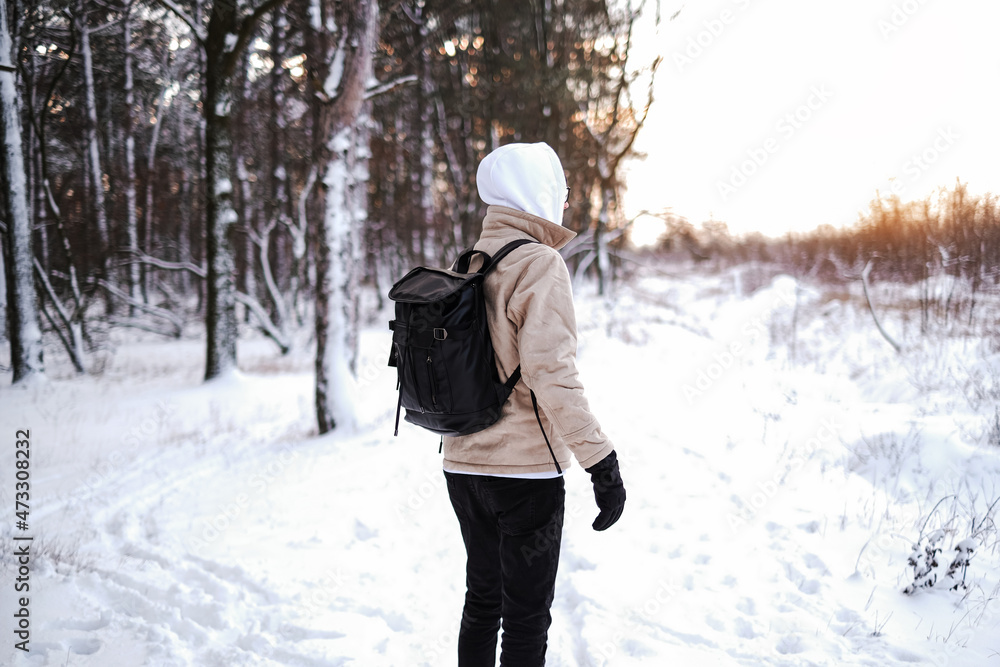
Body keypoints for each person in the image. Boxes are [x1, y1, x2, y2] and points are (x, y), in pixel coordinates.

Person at [443, 142, 627, 667]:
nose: (564, 202)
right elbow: (553, 376)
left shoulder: (469, 262)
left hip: (462, 467)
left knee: (483, 601)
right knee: (526, 616)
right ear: (535, 192)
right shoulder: (539, 264)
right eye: (558, 190)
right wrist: (601, 463)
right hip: (524, 475)